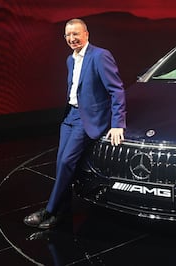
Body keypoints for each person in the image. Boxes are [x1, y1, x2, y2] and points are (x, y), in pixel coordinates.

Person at [24, 18, 126, 229]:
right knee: (62, 164)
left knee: (65, 163)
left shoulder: (100, 56)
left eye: (76, 34)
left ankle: (50, 210)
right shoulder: (70, 60)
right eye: (68, 35)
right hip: (69, 116)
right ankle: (63, 211)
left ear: (87, 34)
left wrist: (118, 123)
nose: (72, 39)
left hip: (86, 119)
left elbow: (116, 91)